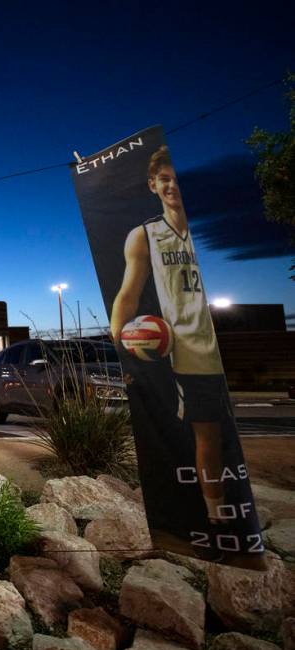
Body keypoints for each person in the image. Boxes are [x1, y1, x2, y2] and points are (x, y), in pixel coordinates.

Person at [110, 145, 228, 526]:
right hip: (183, 352)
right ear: (153, 185)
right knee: (204, 437)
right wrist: (121, 344)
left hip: (214, 348)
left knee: (223, 438)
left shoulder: (201, 231)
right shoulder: (144, 236)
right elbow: (127, 295)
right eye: (165, 179)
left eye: (177, 178)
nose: (172, 185)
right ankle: (216, 520)